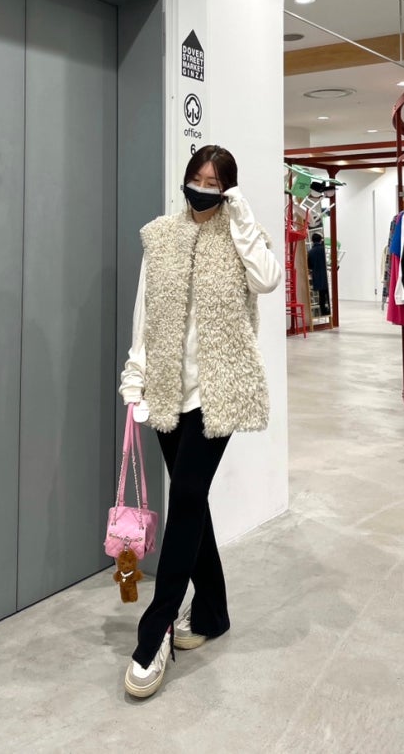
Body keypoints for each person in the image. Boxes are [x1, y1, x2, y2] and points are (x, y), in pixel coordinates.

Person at [118, 144, 281, 699]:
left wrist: (242, 217)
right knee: (192, 502)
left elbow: (268, 279)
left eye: (215, 182)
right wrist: (135, 376)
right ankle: (212, 611)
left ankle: (155, 631)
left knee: (186, 496)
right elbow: (144, 314)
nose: (203, 188)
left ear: (227, 188)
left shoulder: (239, 236)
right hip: (167, 389)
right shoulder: (161, 235)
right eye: (197, 178)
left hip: (220, 390)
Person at [307, 232, 330, 316]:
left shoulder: (310, 252)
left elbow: (309, 265)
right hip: (326, 275)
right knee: (328, 294)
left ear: (312, 241)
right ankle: (330, 311)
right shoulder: (324, 250)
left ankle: (323, 312)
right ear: (321, 240)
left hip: (317, 276)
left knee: (321, 295)